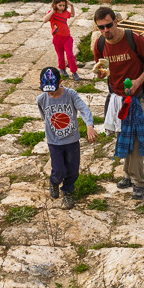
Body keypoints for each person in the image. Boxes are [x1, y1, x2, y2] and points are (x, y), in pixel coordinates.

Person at [91, 6, 144, 201]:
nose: (106, 31)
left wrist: (139, 80)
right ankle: (128, 175)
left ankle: (138, 183)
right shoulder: (100, 44)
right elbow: (102, 67)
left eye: (109, 25)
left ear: (116, 21)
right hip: (117, 99)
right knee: (124, 137)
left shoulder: (133, 39)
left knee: (137, 141)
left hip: (137, 98)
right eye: (101, 27)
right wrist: (100, 73)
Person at [36, 67, 96, 210]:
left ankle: (68, 191)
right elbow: (45, 117)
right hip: (54, 142)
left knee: (73, 170)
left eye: (53, 89)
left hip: (72, 140)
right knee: (59, 170)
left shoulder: (70, 94)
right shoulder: (41, 99)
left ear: (61, 82)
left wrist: (89, 125)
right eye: (47, 89)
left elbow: (84, 109)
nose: (50, 92)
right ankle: (54, 181)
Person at [41, 0, 79, 81]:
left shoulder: (65, 13)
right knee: (60, 55)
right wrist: (52, 11)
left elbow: (72, 15)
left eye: (63, 5)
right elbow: (44, 20)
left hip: (67, 38)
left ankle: (74, 72)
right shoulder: (52, 14)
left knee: (70, 55)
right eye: (60, 5)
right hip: (57, 38)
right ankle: (62, 69)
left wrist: (72, 6)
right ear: (55, 5)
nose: (62, 7)